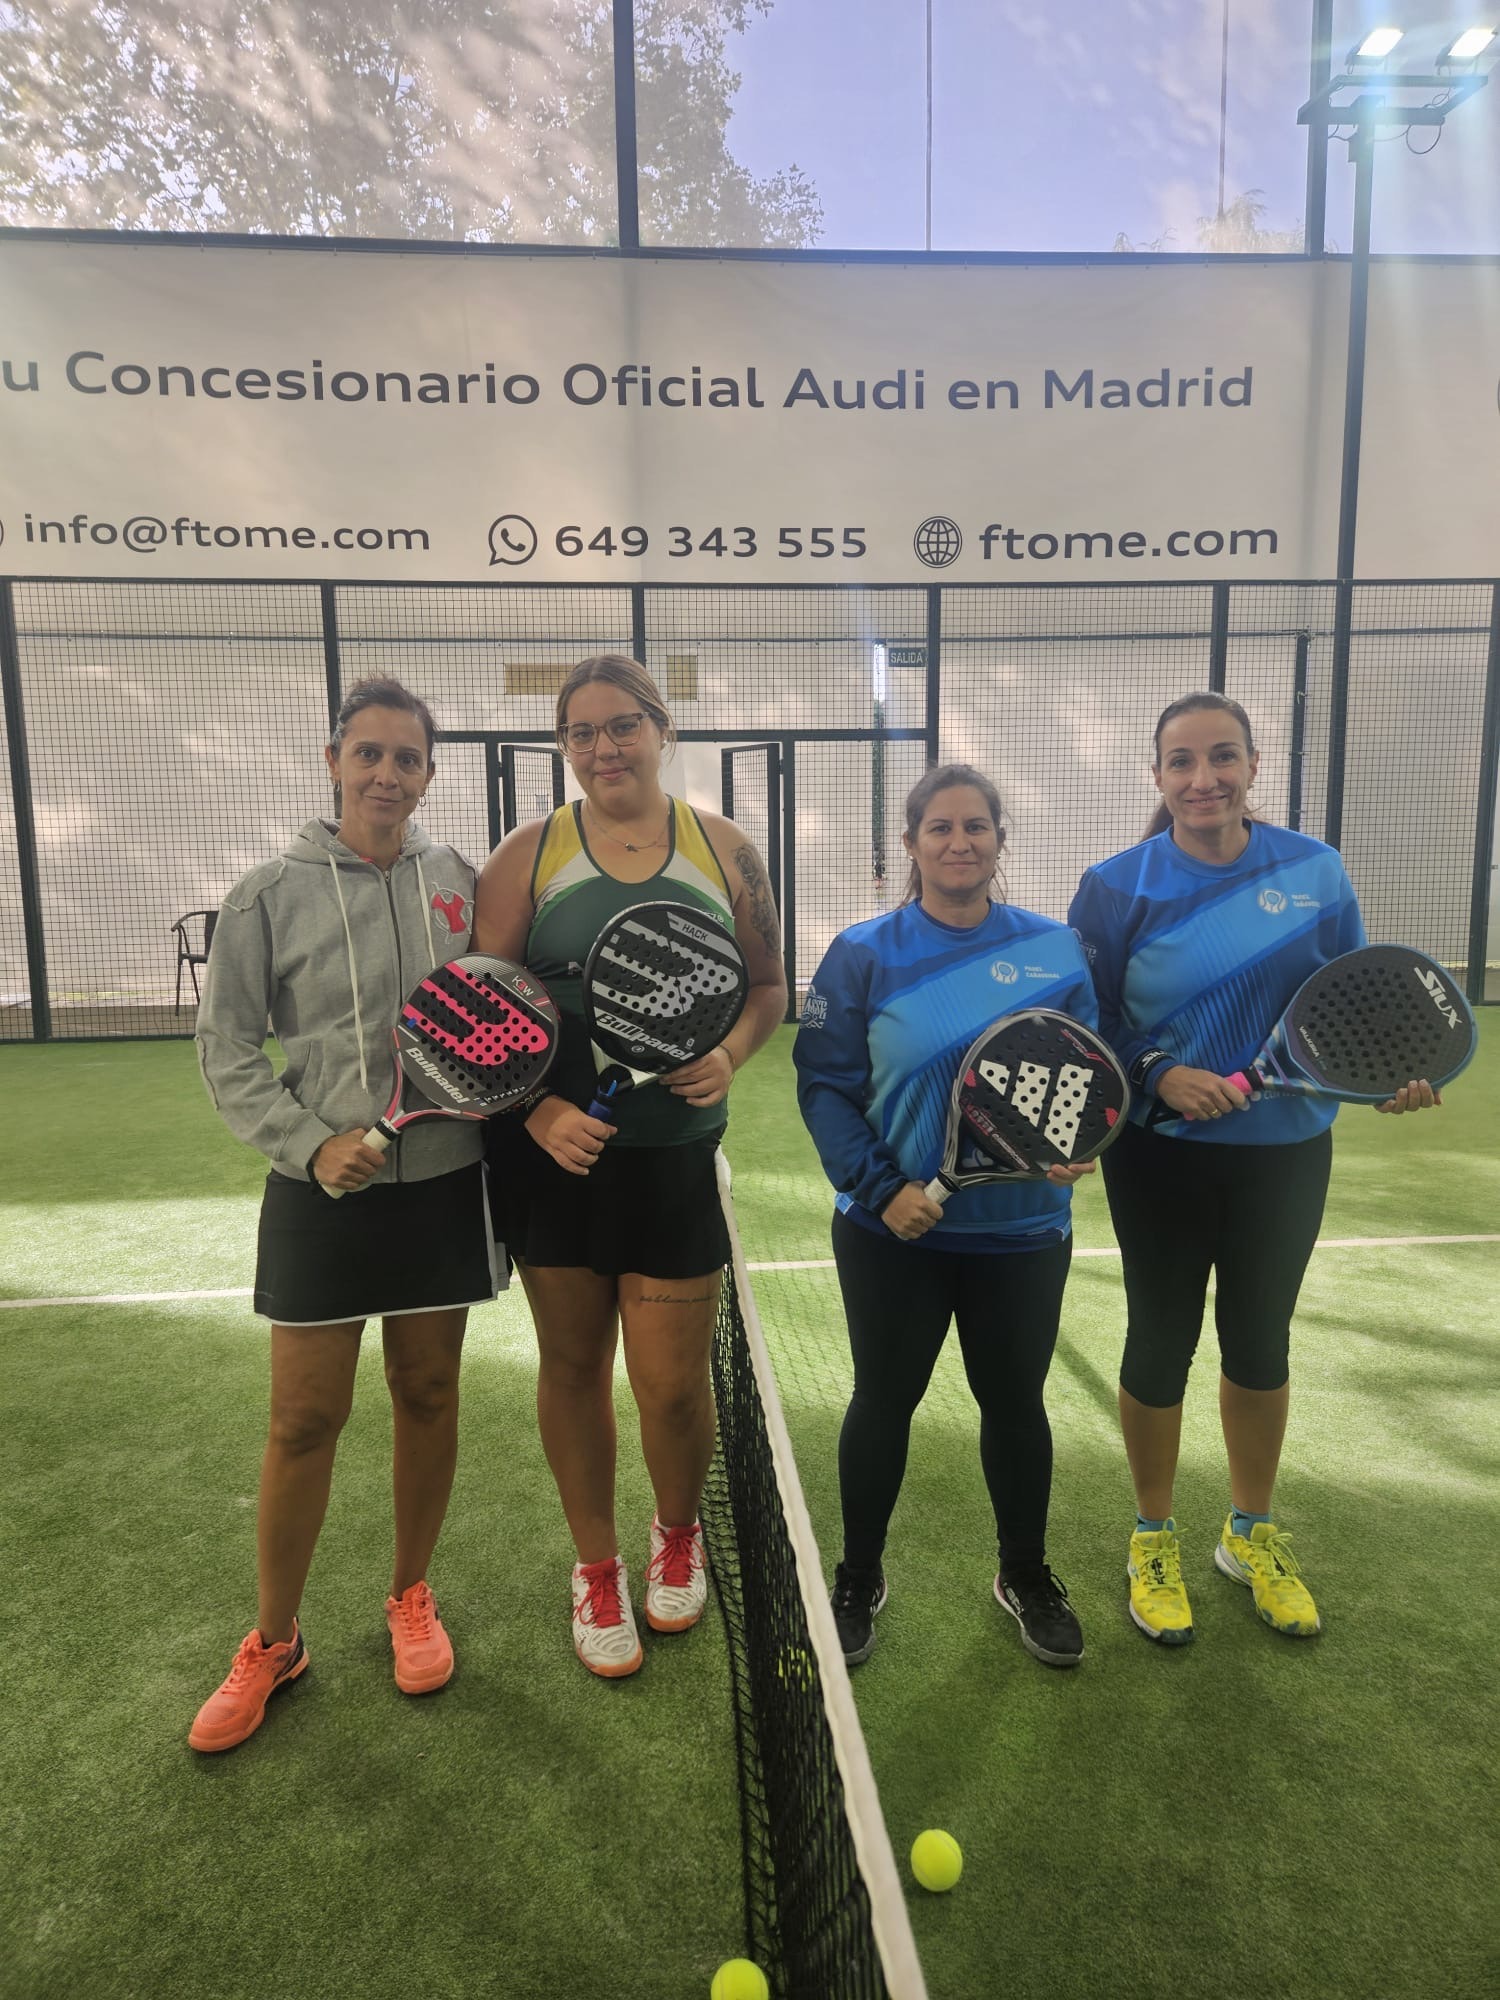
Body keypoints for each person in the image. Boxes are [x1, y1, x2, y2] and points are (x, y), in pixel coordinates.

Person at [1068, 691, 1439, 1648]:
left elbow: (1361, 1003)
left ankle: (1250, 1533)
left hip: (1286, 1152)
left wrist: (1391, 1076)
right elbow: (1089, 1019)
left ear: (1253, 766)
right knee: (1160, 1341)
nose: (1205, 779)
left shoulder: (1316, 870)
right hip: (1159, 1153)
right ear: (1158, 775)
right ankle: (1153, 1538)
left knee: (1260, 1342)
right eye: (1183, 761)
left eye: (1223, 756)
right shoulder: (1114, 887)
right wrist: (1160, 1071)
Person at [188, 676, 498, 1751]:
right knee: (302, 1420)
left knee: (428, 1391)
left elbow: (498, 1011)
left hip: (444, 1184)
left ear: (428, 773)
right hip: (320, 1192)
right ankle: (275, 1640)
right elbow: (226, 1047)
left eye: (407, 758)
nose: (386, 774)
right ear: (333, 762)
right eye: (368, 752)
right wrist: (310, 1143)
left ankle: (410, 1593)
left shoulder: (460, 882)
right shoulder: (267, 894)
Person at [473, 655, 786, 1678]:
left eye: (622, 726)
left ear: (661, 730)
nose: (603, 747)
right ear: (564, 746)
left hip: (674, 1165)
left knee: (671, 1386)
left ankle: (677, 1535)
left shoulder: (726, 849)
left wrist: (730, 1053)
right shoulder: (527, 854)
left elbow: (768, 986)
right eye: (581, 732)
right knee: (572, 1370)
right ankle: (597, 1566)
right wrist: (538, 1109)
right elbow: (481, 1007)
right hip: (554, 1165)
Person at [793, 763, 1097, 1672]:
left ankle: (1025, 1574)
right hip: (891, 1234)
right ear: (911, 843)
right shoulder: (861, 953)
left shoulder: (1057, 949)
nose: (959, 843)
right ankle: (858, 1577)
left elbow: (1084, 1073)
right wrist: (881, 1188)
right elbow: (825, 1086)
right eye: (940, 828)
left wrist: (1076, 1143)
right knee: (883, 1401)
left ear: (999, 840)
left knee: (1015, 1405)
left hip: (1023, 1234)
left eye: (976, 827)